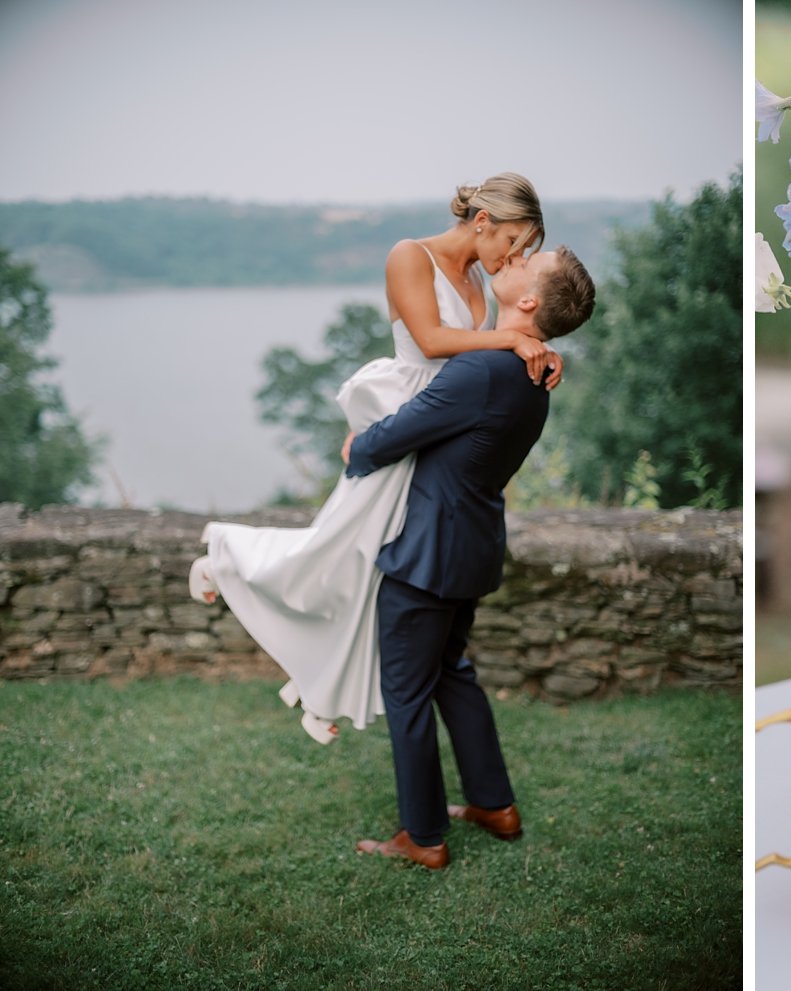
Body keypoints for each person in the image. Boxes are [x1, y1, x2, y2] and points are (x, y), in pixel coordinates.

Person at [189, 173, 562, 744]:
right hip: (406, 408)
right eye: (513, 242)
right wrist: (514, 341)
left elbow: (472, 364)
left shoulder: (479, 285)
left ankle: (320, 693)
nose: (514, 257)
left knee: (365, 564)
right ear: (483, 223)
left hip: (436, 424)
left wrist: (536, 347)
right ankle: (226, 558)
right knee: (335, 541)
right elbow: (434, 342)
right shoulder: (409, 256)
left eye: (526, 251)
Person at [348, 245, 596, 868]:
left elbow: (396, 434)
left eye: (524, 263)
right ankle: (494, 804)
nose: (510, 261)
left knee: (406, 691)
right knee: (453, 673)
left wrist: (357, 444)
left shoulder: (481, 370)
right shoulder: (531, 372)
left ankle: (423, 837)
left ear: (530, 301)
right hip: (472, 545)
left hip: (426, 552)